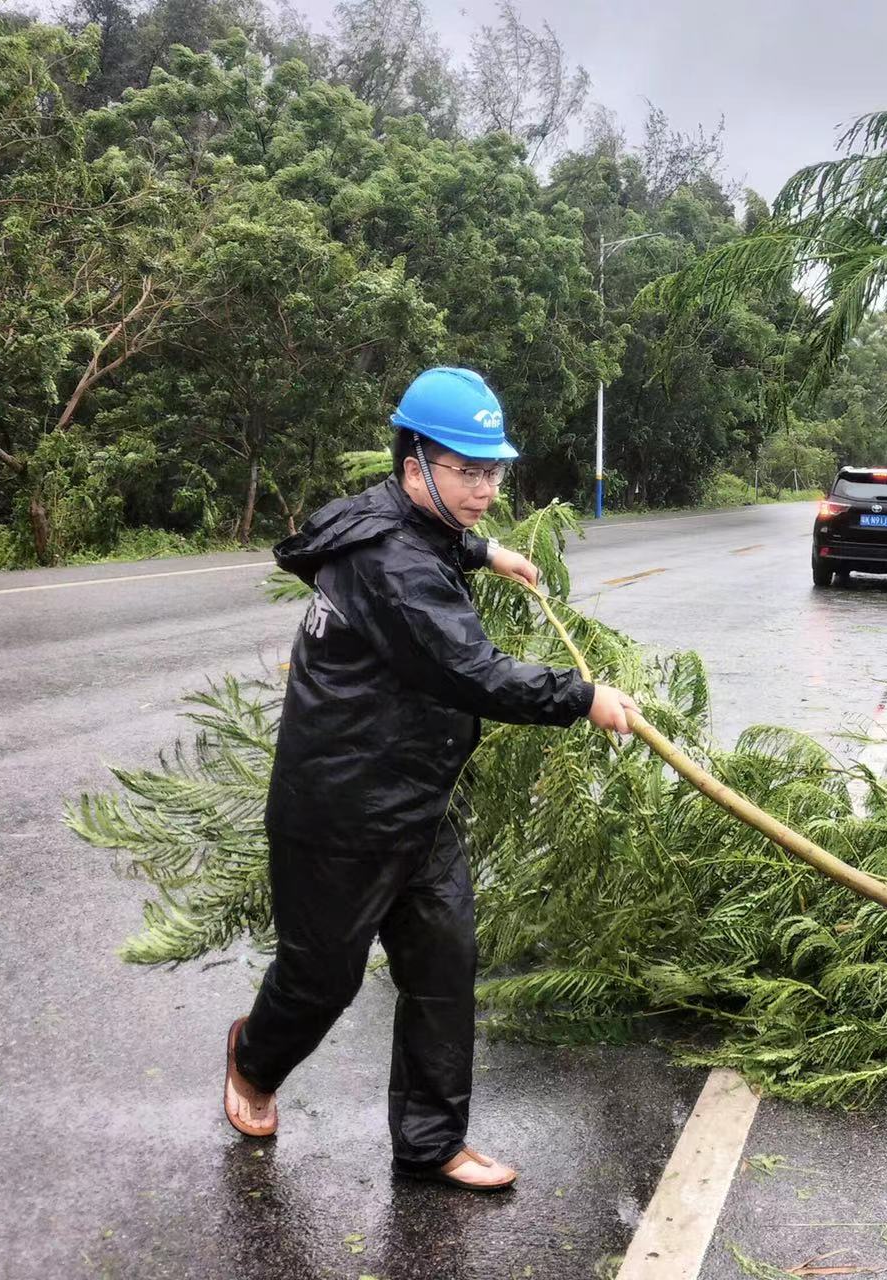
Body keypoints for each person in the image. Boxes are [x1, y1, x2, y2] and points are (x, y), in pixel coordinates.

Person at [220, 366, 640, 1190]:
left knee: (444, 970)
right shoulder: (391, 566)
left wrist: (487, 552)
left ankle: (429, 1144)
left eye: (494, 472)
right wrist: (582, 696)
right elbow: (472, 671)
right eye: (468, 471)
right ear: (414, 463)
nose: (487, 490)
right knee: (320, 982)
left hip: (417, 801)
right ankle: (252, 1059)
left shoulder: (399, 519)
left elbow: (427, 536)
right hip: (339, 813)